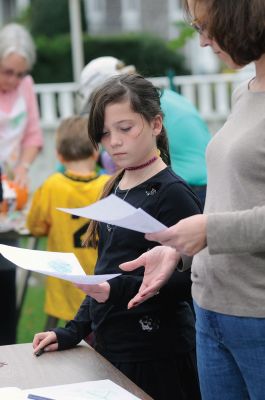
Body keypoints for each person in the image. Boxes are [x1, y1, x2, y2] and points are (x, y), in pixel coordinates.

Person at [120, 1, 265, 399]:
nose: (202, 41)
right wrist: (179, 252)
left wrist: (208, 231)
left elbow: (219, 225)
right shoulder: (245, 92)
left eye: (206, 27)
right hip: (211, 311)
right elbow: (235, 198)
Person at [33, 73, 202, 400]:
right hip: (112, 348)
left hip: (158, 356)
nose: (114, 142)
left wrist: (113, 288)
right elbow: (104, 270)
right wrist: (73, 330)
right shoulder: (113, 185)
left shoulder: (173, 194)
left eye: (125, 129)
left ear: (156, 124)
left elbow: (195, 278)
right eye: (104, 134)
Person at [79, 56, 211, 206]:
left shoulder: (137, 106)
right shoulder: (159, 98)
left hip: (182, 187)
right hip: (205, 182)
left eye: (125, 128)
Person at [27, 116, 110, 329]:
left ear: (59, 156)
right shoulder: (109, 185)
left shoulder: (52, 186)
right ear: (95, 152)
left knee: (57, 340)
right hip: (100, 279)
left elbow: (35, 226)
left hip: (64, 282)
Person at [0, 23, 43, 345]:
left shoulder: (25, 85)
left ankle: (8, 350)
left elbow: (32, 134)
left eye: (19, 73)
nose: (13, 80)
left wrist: (24, 166)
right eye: (7, 72)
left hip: (9, 195)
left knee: (6, 274)